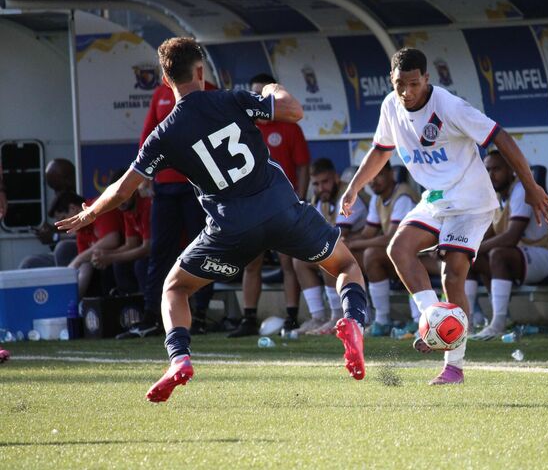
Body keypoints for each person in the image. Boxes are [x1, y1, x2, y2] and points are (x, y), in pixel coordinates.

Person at [57, 38, 369, 402]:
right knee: (345, 263)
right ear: (202, 71)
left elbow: (124, 190)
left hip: (231, 229)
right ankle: (353, 322)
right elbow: (294, 110)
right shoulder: (230, 98)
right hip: (282, 211)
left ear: (164, 78)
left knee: (174, 288)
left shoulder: (164, 134)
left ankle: (179, 358)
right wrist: (271, 87)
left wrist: (90, 213)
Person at [340, 47, 548, 385]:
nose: (407, 92)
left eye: (414, 84)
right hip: (437, 199)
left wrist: (529, 185)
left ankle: (453, 366)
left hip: (471, 200)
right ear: (391, 81)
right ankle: (433, 321)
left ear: (426, 79)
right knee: (398, 249)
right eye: (400, 84)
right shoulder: (390, 107)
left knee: (452, 276)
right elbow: (380, 150)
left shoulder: (450, 106)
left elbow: (499, 135)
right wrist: (354, 187)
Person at [122, 77, 216, 339]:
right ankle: (152, 315)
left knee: (204, 249)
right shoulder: (160, 94)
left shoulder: (210, 91)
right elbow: (148, 135)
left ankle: (200, 315)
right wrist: (144, 177)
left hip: (198, 185)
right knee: (160, 251)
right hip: (165, 186)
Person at [227, 73, 311, 338]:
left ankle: (291, 317)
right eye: (254, 94)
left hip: (284, 204)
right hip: (252, 205)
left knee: (288, 263)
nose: (258, 99)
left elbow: (303, 166)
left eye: (263, 94)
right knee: (252, 263)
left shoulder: (289, 127)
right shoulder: (242, 128)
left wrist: (300, 197)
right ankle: (249, 318)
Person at [469, 151, 548, 341]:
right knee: (469, 259)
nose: (491, 175)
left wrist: (471, 249)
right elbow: (487, 235)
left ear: (512, 170)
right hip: (525, 254)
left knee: (498, 254)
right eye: (487, 170)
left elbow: (510, 238)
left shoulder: (522, 190)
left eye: (497, 169)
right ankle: (466, 324)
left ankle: (498, 323)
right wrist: (463, 249)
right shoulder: (497, 196)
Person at [340, 162, 426, 337]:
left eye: (378, 175)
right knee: (345, 256)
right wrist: (344, 243)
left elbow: (392, 238)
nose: (373, 182)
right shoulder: (377, 198)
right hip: (399, 254)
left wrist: (355, 244)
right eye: (370, 178)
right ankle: (369, 318)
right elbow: (367, 233)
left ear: (391, 174)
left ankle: (393, 319)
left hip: (424, 255)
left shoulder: (402, 195)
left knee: (371, 255)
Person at [292, 158, 368, 335]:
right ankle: (318, 317)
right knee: (300, 261)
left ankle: (337, 315)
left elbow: (339, 235)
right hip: (349, 250)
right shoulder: (321, 199)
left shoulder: (348, 195)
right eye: (316, 184)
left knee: (327, 252)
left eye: (325, 182)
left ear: (336, 177)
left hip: (364, 252)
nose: (321, 188)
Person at [54, 192, 123, 297]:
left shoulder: (98, 207)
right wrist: (72, 299)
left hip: (132, 249)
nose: (65, 227)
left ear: (73, 208)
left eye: (64, 219)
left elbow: (112, 239)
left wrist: (79, 259)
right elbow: (85, 267)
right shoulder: (80, 229)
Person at [18, 158, 79, 269]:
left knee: (63, 248)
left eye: (58, 187)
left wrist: (56, 236)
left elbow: (83, 234)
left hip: (84, 252)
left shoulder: (84, 198)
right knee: (29, 263)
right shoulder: (62, 199)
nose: (56, 192)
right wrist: (54, 231)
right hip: (71, 253)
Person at [91, 188, 152, 296]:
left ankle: (149, 306)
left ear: (133, 191)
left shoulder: (147, 205)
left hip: (167, 251)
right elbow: (131, 244)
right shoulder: (127, 211)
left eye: (121, 197)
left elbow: (147, 248)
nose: (119, 202)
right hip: (147, 252)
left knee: (140, 265)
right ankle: (127, 305)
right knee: (119, 264)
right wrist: (106, 254)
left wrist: (110, 257)